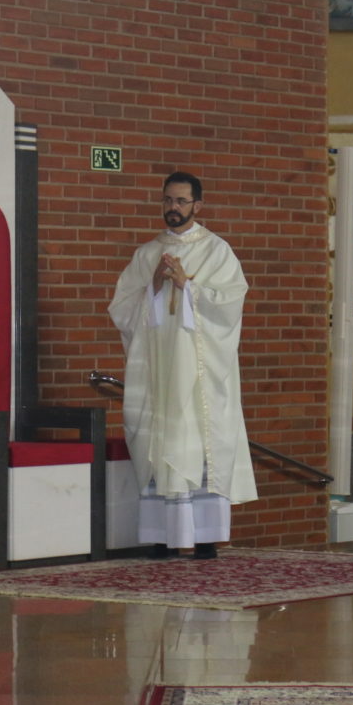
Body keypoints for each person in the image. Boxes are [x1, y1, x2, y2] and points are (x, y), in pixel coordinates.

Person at [108, 172, 258, 559]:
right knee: (159, 445)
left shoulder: (216, 251)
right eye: (167, 200)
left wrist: (187, 287)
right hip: (158, 373)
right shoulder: (147, 254)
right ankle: (163, 536)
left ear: (197, 206)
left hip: (197, 378)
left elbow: (231, 303)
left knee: (198, 444)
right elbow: (122, 309)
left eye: (180, 201)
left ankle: (205, 537)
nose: (172, 208)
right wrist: (154, 287)